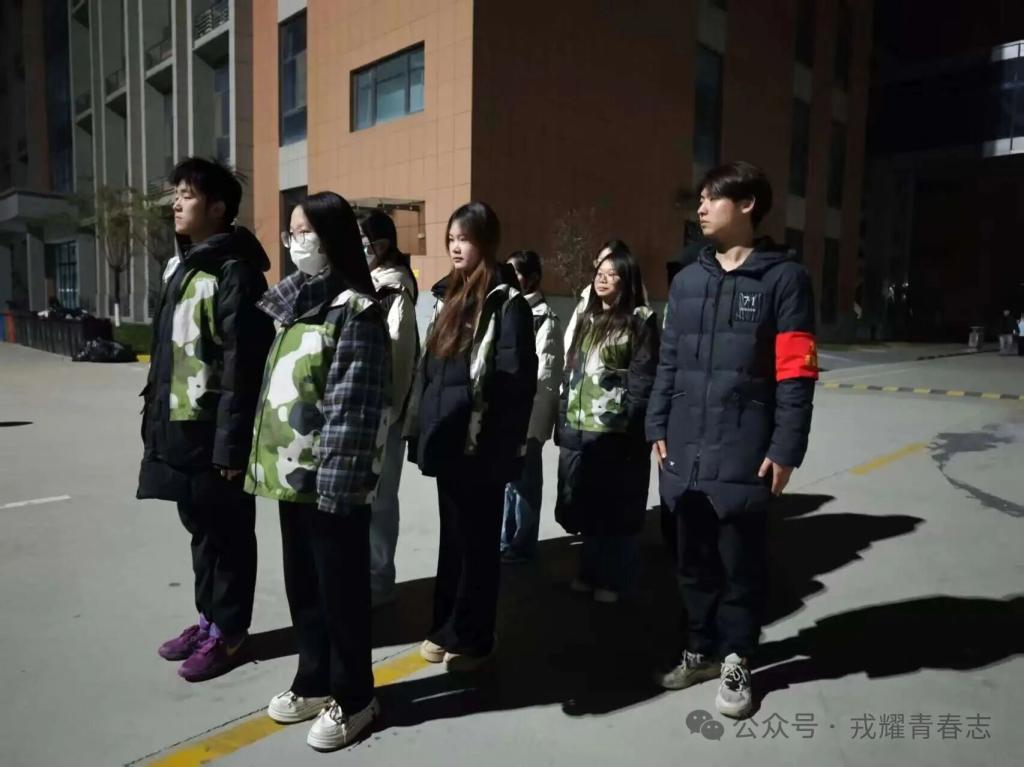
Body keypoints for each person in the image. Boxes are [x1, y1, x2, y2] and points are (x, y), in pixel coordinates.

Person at [646, 161, 817, 719]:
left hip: (744, 447)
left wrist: (786, 447)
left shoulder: (784, 280)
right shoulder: (687, 281)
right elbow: (668, 362)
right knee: (691, 561)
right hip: (684, 446)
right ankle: (700, 648)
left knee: (740, 565)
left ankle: (737, 658)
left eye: (711, 198)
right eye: (698, 198)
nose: (700, 208)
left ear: (747, 204)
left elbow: (796, 373)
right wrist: (656, 425)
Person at [246, 192, 391, 751]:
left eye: (304, 231)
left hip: (333, 481)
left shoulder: (357, 310)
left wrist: (337, 484)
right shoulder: (296, 304)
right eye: (291, 232)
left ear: (331, 237)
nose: (295, 242)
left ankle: (355, 697)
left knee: (341, 592)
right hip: (293, 477)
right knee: (304, 586)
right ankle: (313, 678)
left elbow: (354, 408)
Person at [138, 158, 273, 682]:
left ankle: (230, 634)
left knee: (229, 535)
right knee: (201, 532)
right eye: (176, 193)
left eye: (187, 195)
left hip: (216, 435)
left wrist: (232, 446)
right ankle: (207, 620)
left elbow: (243, 367)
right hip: (181, 429)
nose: (176, 203)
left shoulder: (234, 273)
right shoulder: (186, 268)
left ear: (217, 208)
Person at [404, 202, 537, 672]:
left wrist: (499, 449)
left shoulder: (507, 303)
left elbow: (516, 383)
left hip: (482, 446)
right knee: (453, 540)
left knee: (478, 545)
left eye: (465, 238)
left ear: (486, 241)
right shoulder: (448, 297)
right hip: (449, 440)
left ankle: (476, 638)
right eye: (451, 239)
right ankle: (446, 627)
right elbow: (431, 372)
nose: (456, 247)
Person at [555, 241, 659, 603]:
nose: (602, 279)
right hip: (580, 426)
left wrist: (634, 427)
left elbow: (643, 380)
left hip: (615, 429)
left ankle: (614, 580)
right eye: (599, 273)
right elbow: (572, 372)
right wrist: (563, 420)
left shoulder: (641, 320)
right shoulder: (588, 317)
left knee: (616, 510)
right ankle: (589, 571)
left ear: (626, 279)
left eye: (611, 275)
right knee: (586, 505)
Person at [359, 209, 420, 607]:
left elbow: (400, 359)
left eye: (363, 241)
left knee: (380, 501)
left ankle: (379, 579)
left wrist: (390, 417)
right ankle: (366, 574)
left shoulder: (393, 291)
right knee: (366, 499)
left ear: (381, 246)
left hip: (384, 416)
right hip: (366, 415)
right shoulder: (369, 284)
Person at [500, 250, 563, 564]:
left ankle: (522, 544)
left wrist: (532, 420)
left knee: (525, 482)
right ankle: (506, 539)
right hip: (507, 411)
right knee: (508, 482)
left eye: (517, 272)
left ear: (533, 278)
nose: (511, 278)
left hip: (528, 413)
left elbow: (546, 375)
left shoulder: (544, 318)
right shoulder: (508, 308)